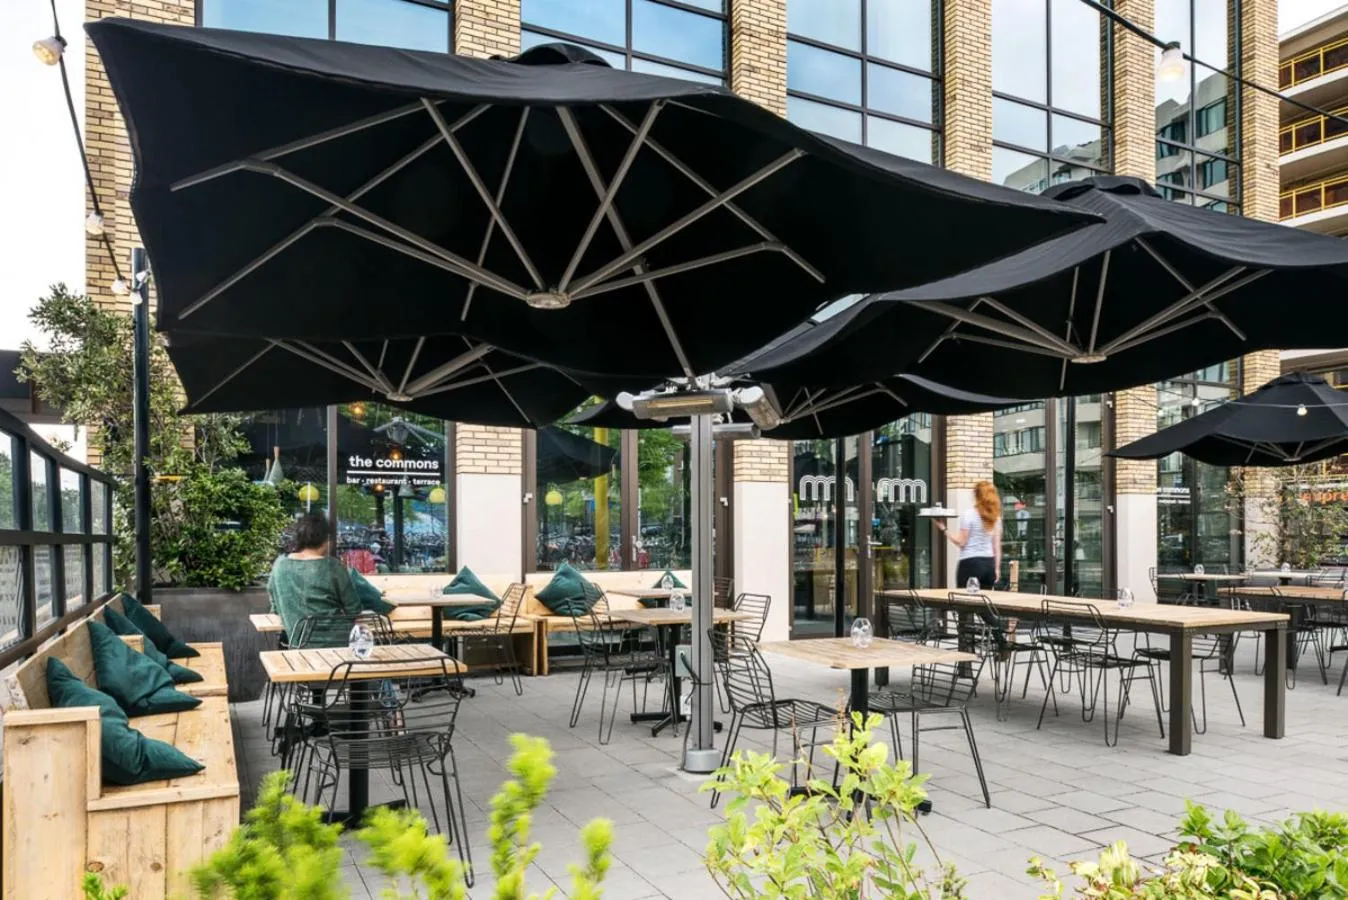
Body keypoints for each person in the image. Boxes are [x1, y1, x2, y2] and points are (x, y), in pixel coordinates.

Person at [268, 512, 381, 640]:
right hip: (339, 643)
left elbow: (276, 608)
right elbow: (354, 610)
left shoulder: (279, 565)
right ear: (326, 540)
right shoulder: (333, 567)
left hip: (298, 643)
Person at [936, 480, 1002, 591]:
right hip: (989, 564)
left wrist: (944, 529)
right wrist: (997, 569)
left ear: (976, 495)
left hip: (970, 564)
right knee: (985, 602)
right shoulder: (996, 518)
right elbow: (996, 547)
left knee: (965, 603)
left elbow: (962, 542)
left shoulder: (969, 515)